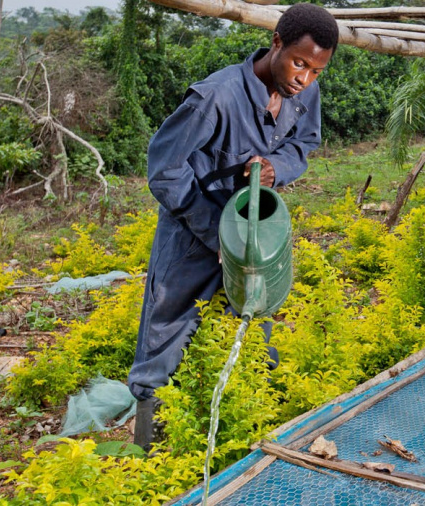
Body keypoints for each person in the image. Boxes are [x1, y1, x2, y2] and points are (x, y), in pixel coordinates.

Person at [127, 3, 338, 450]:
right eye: (300, 63)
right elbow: (164, 169)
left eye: (316, 71)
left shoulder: (305, 94)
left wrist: (275, 168)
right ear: (276, 42)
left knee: (253, 320)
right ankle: (148, 449)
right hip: (193, 230)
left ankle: (252, 435)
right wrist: (215, 232)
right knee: (166, 335)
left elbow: (305, 143)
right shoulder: (217, 96)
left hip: (253, 232)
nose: (305, 78)